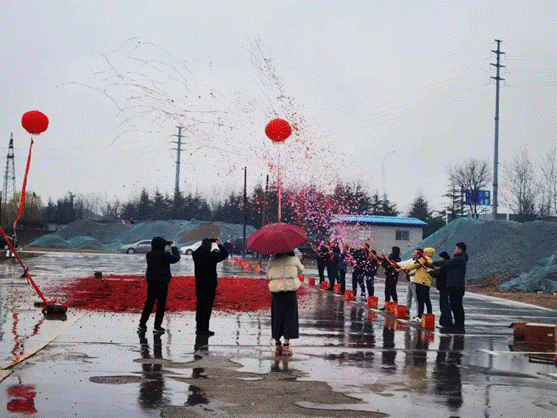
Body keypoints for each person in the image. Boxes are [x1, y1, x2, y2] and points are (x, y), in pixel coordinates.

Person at [138, 237, 181, 334]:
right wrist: (173, 248)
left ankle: (142, 323)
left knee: (149, 302)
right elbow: (176, 258)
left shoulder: (149, 254)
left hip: (152, 280)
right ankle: (157, 325)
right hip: (162, 281)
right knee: (161, 304)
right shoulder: (165, 255)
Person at [267, 251, 304, 356]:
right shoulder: (294, 259)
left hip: (276, 292)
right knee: (290, 317)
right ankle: (286, 346)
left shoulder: (272, 260)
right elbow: (300, 270)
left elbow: (268, 274)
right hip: (290, 291)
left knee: (277, 317)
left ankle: (277, 344)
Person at [192, 238, 228, 336]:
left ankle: (199, 328)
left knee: (200, 306)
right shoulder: (212, 256)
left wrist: (206, 241)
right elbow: (224, 254)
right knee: (207, 308)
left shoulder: (196, 255)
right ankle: (205, 329)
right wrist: (219, 245)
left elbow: (197, 250)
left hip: (200, 284)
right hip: (210, 284)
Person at [437, 242, 468, 333]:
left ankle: (459, 325)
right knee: (455, 306)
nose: (455, 250)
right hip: (454, 285)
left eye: (456, 248)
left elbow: (446, 263)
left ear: (460, 250)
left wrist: (432, 263)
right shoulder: (458, 259)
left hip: (456, 286)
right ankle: (457, 324)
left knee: (457, 306)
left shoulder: (459, 259)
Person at [403, 247, 435, 321]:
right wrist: (411, 274)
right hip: (427, 282)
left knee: (420, 300)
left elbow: (415, 265)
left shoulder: (424, 259)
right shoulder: (430, 260)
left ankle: (420, 316)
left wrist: (404, 268)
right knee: (427, 300)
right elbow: (419, 269)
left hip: (420, 282)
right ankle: (429, 315)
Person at [430, 251, 453, 329]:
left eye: (441, 257)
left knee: (444, 305)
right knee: (445, 304)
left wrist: (430, 272)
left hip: (444, 287)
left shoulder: (444, 266)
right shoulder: (447, 265)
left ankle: (445, 322)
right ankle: (447, 321)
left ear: (443, 258)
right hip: (445, 287)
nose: (440, 259)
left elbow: (438, 274)